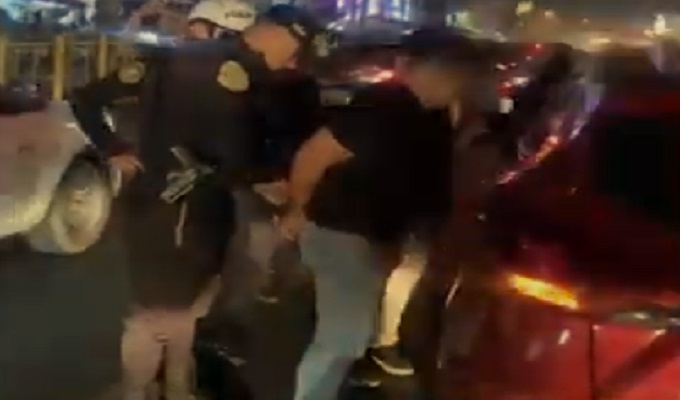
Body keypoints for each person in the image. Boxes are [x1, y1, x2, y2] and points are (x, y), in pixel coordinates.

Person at [68, 5, 326, 400]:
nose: (293, 62)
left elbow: (243, 147)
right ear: (272, 32)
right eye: (294, 50)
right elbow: (86, 99)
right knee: (155, 315)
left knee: (186, 309)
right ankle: (138, 390)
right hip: (169, 209)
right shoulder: (199, 65)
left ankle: (176, 385)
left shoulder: (247, 73)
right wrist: (113, 148)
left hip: (205, 208)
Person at [278, 29, 479, 400]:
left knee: (351, 332)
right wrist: (297, 209)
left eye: (461, 74)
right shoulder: (385, 104)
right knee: (342, 339)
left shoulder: (432, 113)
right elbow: (313, 155)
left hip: (372, 236)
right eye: (448, 72)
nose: (456, 83)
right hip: (342, 231)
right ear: (412, 67)